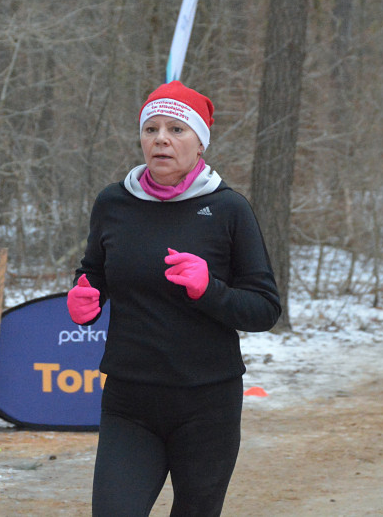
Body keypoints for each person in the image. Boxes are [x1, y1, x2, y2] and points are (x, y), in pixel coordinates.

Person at [67, 80, 283, 517]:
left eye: (176, 130)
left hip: (207, 404)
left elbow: (265, 308)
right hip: (130, 401)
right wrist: (83, 298)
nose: (161, 139)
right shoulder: (113, 203)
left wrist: (210, 290)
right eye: (151, 129)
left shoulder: (228, 209)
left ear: (200, 143)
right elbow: (93, 273)